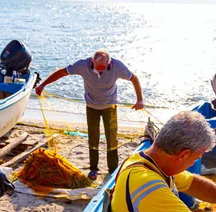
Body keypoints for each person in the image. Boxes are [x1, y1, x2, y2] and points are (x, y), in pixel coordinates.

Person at [35, 50, 144, 180]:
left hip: (110, 107)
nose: (102, 71)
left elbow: (134, 78)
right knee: (93, 138)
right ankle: (93, 169)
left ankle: (113, 169)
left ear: (110, 62)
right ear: (92, 61)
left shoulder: (117, 66)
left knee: (112, 138)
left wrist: (140, 100)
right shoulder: (82, 65)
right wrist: (42, 85)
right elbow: (62, 72)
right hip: (91, 107)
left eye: (105, 68)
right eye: (99, 68)